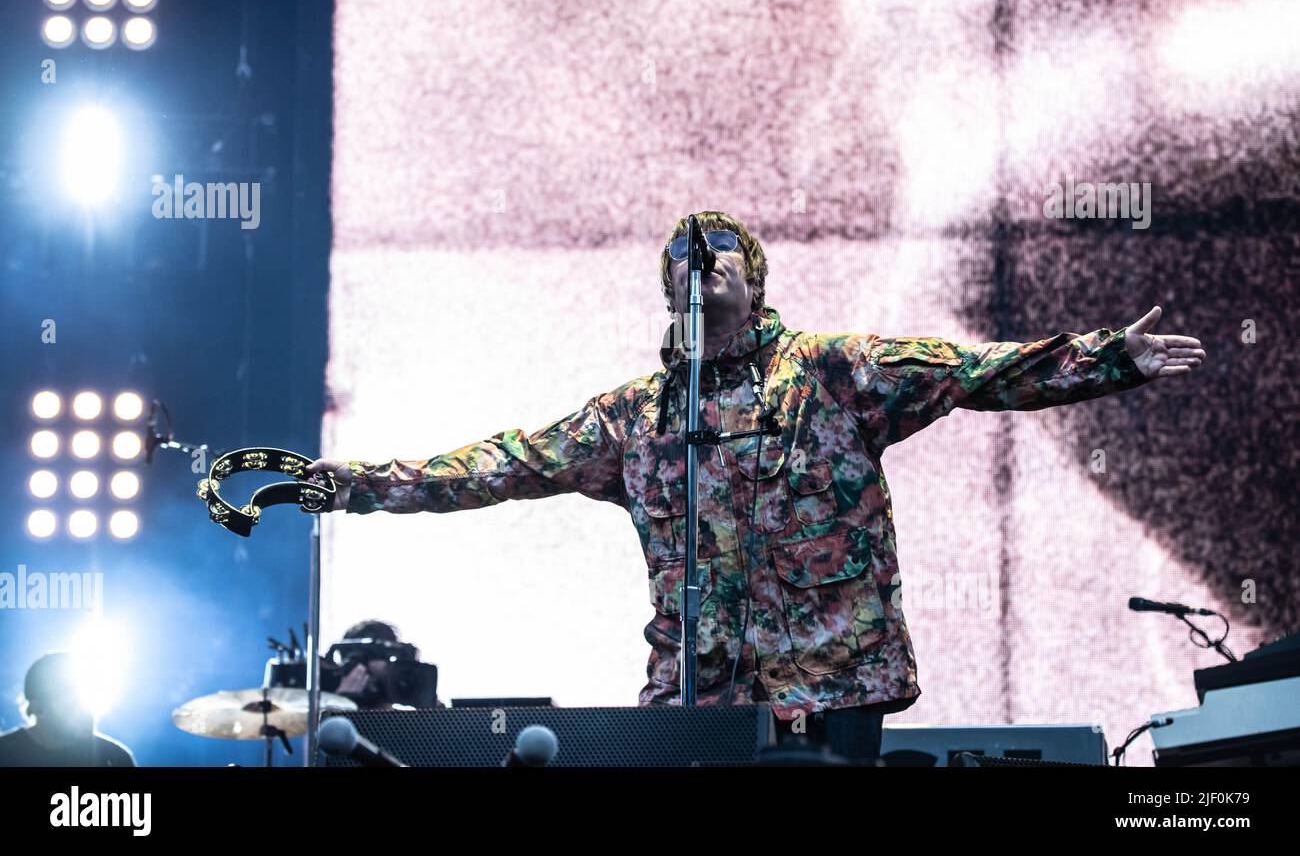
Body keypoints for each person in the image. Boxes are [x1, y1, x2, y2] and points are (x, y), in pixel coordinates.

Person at [308, 210, 1205, 763]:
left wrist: (1108, 358)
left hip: (829, 687)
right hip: (696, 695)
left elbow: (972, 371)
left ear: (755, 275)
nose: (703, 260)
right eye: (687, 260)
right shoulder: (639, 416)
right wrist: (349, 485)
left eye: (722, 251)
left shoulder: (829, 371)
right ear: (670, 294)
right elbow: (501, 464)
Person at [0, 653, 135, 767]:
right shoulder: (4, 754)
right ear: (38, 709)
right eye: (71, 703)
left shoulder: (116, 758)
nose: (85, 711)